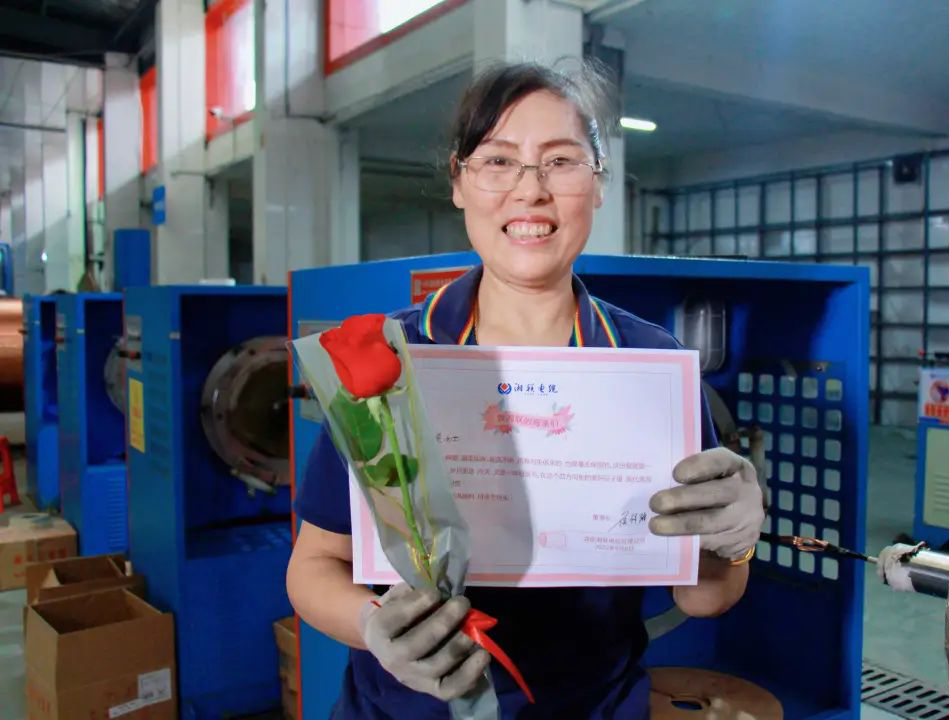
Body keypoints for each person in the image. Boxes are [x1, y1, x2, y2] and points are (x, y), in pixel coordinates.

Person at [287, 61, 765, 720]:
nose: (530, 191)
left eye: (561, 162)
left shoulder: (651, 366)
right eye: (498, 161)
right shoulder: (389, 359)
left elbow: (705, 596)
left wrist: (734, 540)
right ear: (459, 181)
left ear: (599, 183)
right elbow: (314, 564)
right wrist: (373, 625)